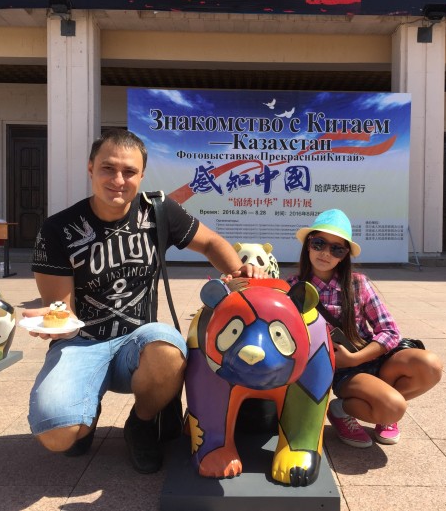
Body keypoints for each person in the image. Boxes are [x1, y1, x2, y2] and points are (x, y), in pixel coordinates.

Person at [23, 129, 268, 475]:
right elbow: (63, 313)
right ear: (90, 168)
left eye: (129, 172)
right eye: (108, 169)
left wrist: (241, 279)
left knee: (169, 347)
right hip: (82, 343)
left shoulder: (158, 212)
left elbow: (211, 242)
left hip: (138, 344)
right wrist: (51, 320)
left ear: (141, 175)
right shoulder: (58, 229)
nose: (118, 180)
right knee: (57, 435)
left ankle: (141, 423)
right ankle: (85, 412)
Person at [286, 209, 442, 448]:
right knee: (393, 407)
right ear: (308, 245)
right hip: (342, 371)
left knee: (430, 365)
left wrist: (356, 358)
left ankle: (379, 404)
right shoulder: (293, 287)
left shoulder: (357, 283)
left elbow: (390, 330)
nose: (325, 253)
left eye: (336, 249)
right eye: (319, 243)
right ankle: (344, 410)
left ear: (344, 256)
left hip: (370, 356)